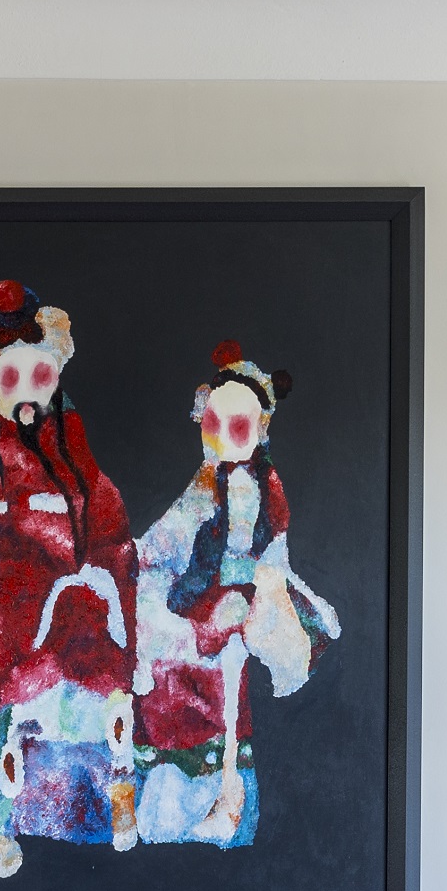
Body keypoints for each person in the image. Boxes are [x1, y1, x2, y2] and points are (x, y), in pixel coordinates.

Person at [0, 280, 139, 876]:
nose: (25, 392)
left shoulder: (72, 441)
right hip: (13, 629)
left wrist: (105, 583)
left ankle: (120, 792)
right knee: (10, 713)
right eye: (10, 378)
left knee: (109, 694)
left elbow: (109, 521)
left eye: (38, 375)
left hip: (83, 620)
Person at [131, 342, 340, 845]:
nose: (223, 436)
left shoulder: (267, 488)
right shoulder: (204, 485)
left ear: (261, 428)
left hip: (243, 603)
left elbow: (274, 554)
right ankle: (175, 807)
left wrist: (264, 596)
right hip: (197, 603)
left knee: (228, 700)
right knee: (178, 692)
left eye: (238, 426)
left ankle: (227, 800)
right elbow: (167, 542)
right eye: (214, 424)